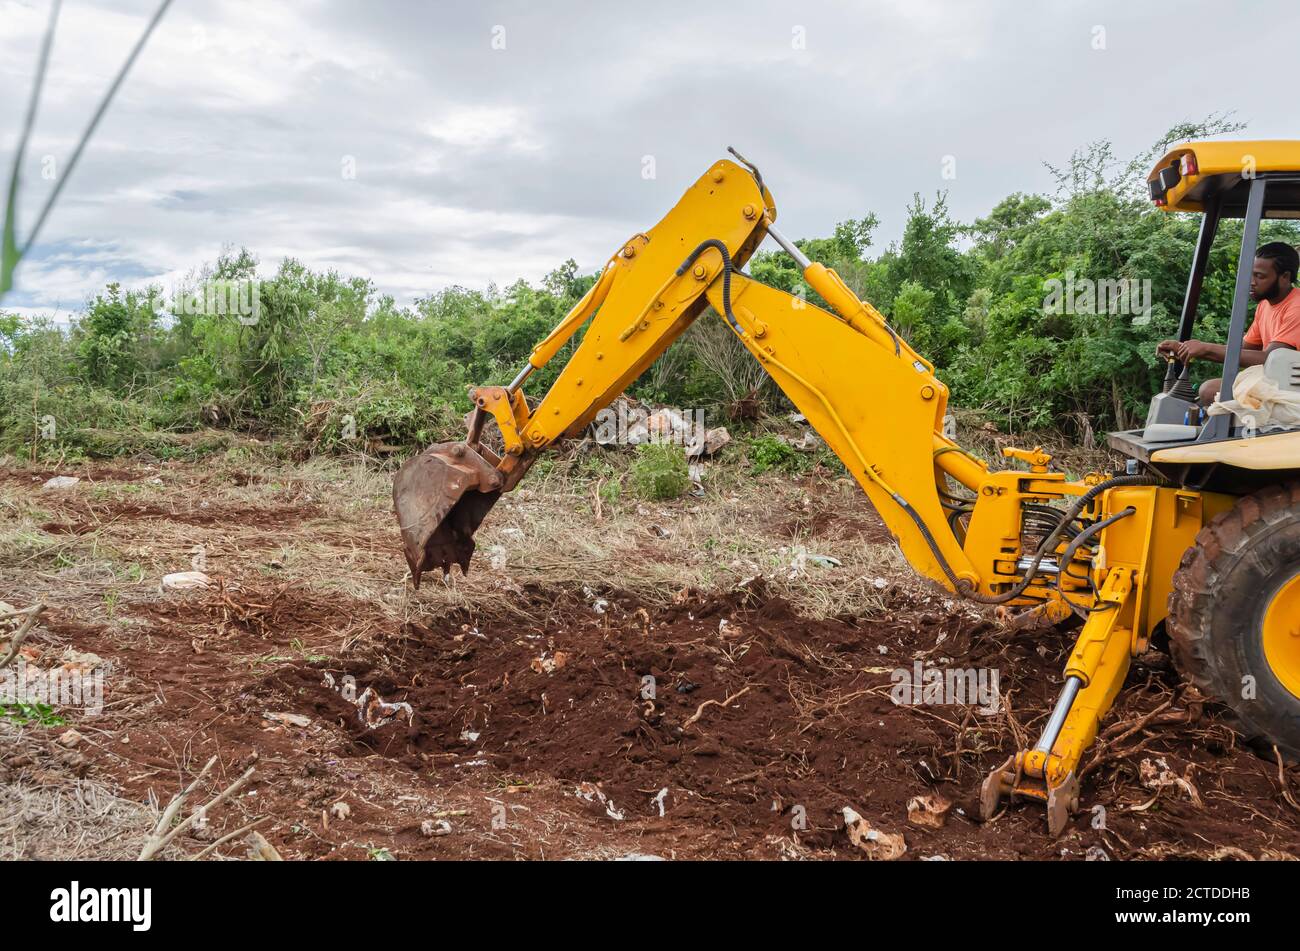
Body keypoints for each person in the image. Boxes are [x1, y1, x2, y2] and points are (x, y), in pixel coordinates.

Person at [1157, 241, 1300, 405]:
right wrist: (1185, 347)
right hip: (1276, 382)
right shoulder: (1265, 306)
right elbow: (1240, 351)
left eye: (1259, 276)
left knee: (1210, 391)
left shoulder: (1296, 306)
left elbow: (1270, 359)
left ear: (1285, 277)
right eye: (1251, 274)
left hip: (1291, 389)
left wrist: (1205, 348)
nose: (1251, 281)